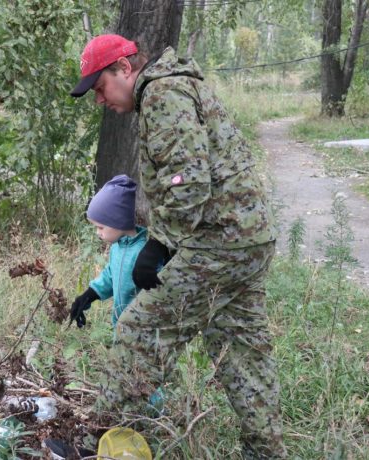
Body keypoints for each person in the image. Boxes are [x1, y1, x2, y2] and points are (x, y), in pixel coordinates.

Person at [70, 34, 286, 458]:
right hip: (249, 239)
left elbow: (187, 181)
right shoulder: (178, 85)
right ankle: (266, 452)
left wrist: (160, 246)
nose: (100, 100)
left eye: (100, 87)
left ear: (125, 68)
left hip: (217, 243)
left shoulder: (163, 93)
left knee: (140, 331)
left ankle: (94, 442)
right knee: (243, 353)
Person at [69, 175, 150, 329]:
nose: (97, 233)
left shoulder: (145, 252)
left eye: (100, 227)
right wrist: (88, 296)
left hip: (142, 331)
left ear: (118, 221)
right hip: (121, 328)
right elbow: (112, 274)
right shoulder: (118, 247)